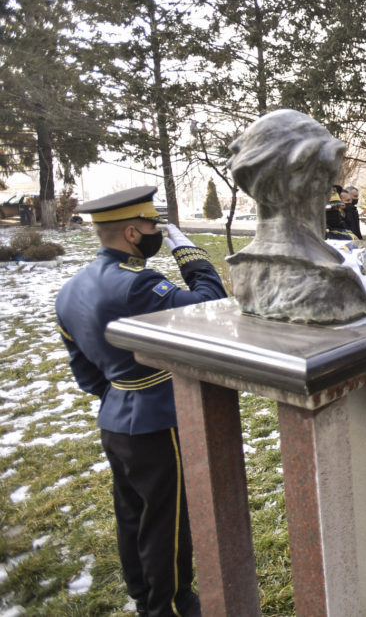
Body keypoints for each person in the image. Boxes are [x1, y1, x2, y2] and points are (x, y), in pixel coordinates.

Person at [55, 186, 227, 617]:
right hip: (157, 420)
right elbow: (210, 306)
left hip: (115, 418)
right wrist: (189, 252)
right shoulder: (137, 283)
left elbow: (86, 372)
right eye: (153, 226)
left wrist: (120, 395)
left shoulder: (69, 290)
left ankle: (144, 597)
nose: (158, 232)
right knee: (166, 523)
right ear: (133, 232)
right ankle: (170, 606)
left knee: (132, 515)